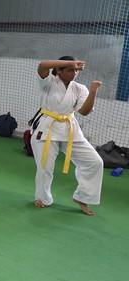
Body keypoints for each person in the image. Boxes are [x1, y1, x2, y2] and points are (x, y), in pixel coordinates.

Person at [30, 57, 103, 215]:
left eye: (76, 70)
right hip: (47, 128)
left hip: (70, 129)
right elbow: (43, 65)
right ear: (59, 70)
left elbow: (84, 112)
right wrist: (70, 63)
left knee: (95, 162)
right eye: (70, 70)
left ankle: (83, 196)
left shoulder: (80, 88)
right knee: (45, 167)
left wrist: (93, 91)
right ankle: (43, 198)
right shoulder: (48, 82)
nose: (74, 73)